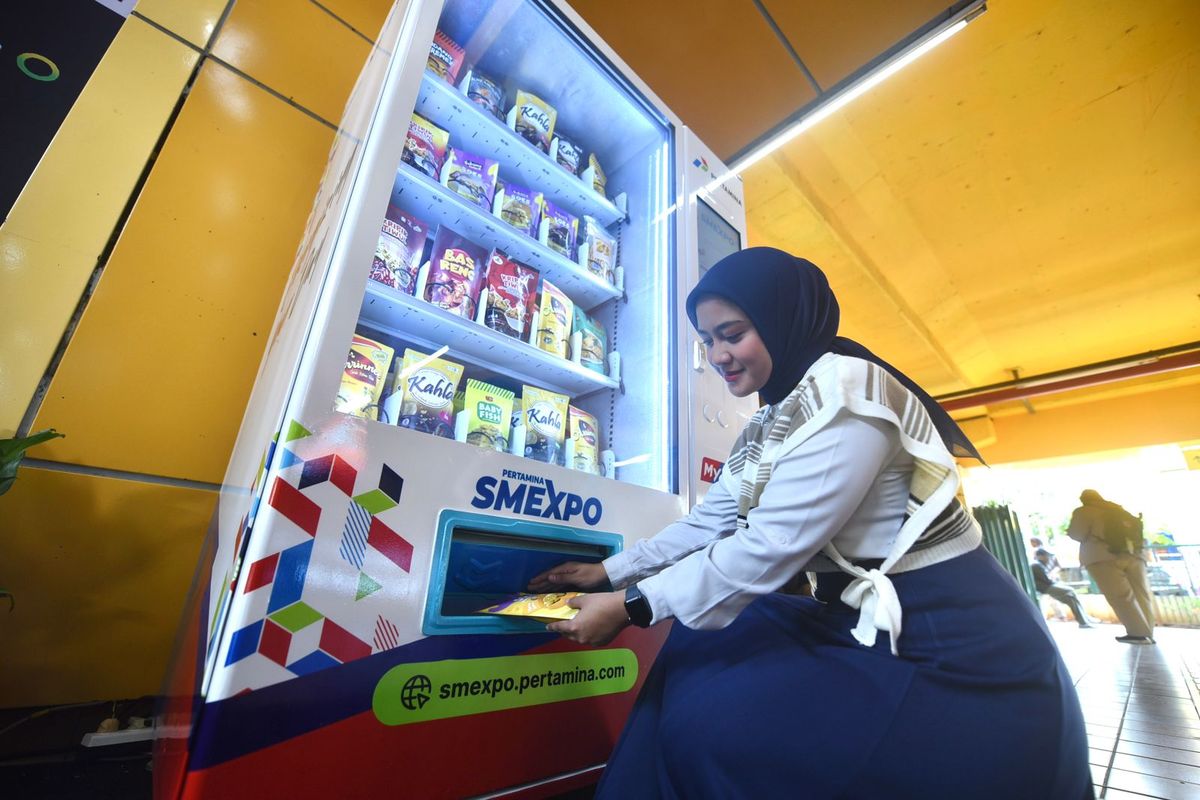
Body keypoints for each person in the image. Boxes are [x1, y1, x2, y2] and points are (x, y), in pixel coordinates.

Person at [529, 248, 1092, 800]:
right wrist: (609, 571)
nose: (719, 354)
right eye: (707, 341)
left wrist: (631, 608)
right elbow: (712, 521)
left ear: (782, 319)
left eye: (733, 333)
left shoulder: (845, 393)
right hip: (861, 619)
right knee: (700, 656)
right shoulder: (775, 415)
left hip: (950, 638)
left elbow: (772, 544)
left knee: (714, 726)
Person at [1068, 489, 1154, 644]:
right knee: (1141, 594)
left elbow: (1077, 534)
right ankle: (1148, 633)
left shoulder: (1083, 511)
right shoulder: (1117, 509)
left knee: (1121, 597)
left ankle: (1138, 634)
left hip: (1103, 557)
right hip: (1134, 555)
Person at [1031, 548, 1094, 628]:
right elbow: (1047, 580)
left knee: (1071, 598)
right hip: (1045, 588)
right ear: (1040, 556)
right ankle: (1084, 621)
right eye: (1046, 556)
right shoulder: (1036, 565)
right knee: (1070, 591)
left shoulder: (1039, 564)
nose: (1048, 558)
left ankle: (1084, 619)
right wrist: (1054, 579)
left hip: (1047, 587)